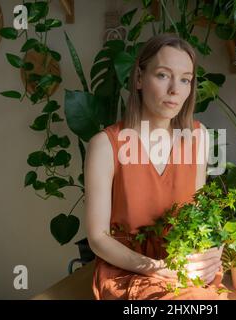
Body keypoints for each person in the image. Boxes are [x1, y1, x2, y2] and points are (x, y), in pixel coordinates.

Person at [84, 33, 226, 300]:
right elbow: (97, 237)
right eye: (163, 75)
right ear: (139, 78)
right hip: (128, 270)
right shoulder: (104, 145)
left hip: (181, 265)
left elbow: (197, 218)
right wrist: (156, 268)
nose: (175, 89)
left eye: (185, 79)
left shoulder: (199, 136)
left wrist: (212, 250)